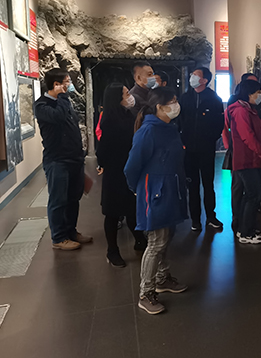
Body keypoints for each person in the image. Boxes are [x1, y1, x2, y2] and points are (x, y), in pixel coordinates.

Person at [124, 87, 189, 315]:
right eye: (172, 101)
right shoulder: (148, 131)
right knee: (156, 242)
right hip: (155, 192)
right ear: (159, 107)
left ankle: (162, 278)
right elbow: (131, 167)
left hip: (171, 189)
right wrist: (137, 190)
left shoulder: (170, 127)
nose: (176, 105)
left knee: (166, 237)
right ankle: (146, 292)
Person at [34, 68, 93, 251]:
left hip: (74, 159)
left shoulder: (64, 103)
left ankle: (71, 231)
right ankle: (59, 238)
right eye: (67, 82)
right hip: (57, 160)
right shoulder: (42, 105)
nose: (70, 85)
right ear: (56, 84)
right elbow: (58, 118)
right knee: (58, 200)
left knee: (73, 198)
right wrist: (63, 96)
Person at [96, 83, 147, 267]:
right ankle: (112, 251)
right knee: (112, 213)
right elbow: (103, 150)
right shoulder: (109, 120)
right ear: (116, 98)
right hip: (115, 172)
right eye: (126, 94)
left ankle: (139, 239)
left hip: (129, 170)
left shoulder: (128, 115)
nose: (130, 96)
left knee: (131, 209)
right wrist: (103, 164)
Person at [178, 67, 224, 232]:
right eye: (192, 74)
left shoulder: (214, 99)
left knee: (208, 184)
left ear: (205, 80)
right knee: (192, 186)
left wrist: (210, 140)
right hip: (188, 150)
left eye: (196, 75)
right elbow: (179, 121)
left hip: (206, 150)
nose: (192, 77)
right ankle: (195, 220)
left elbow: (219, 124)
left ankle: (211, 216)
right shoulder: (185, 98)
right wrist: (182, 140)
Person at [223, 80, 261, 244]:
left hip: (251, 159)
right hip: (246, 159)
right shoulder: (241, 111)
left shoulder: (248, 109)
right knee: (253, 195)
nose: (259, 95)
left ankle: (245, 227)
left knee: (250, 195)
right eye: (257, 92)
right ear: (249, 94)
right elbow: (247, 136)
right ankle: (245, 232)